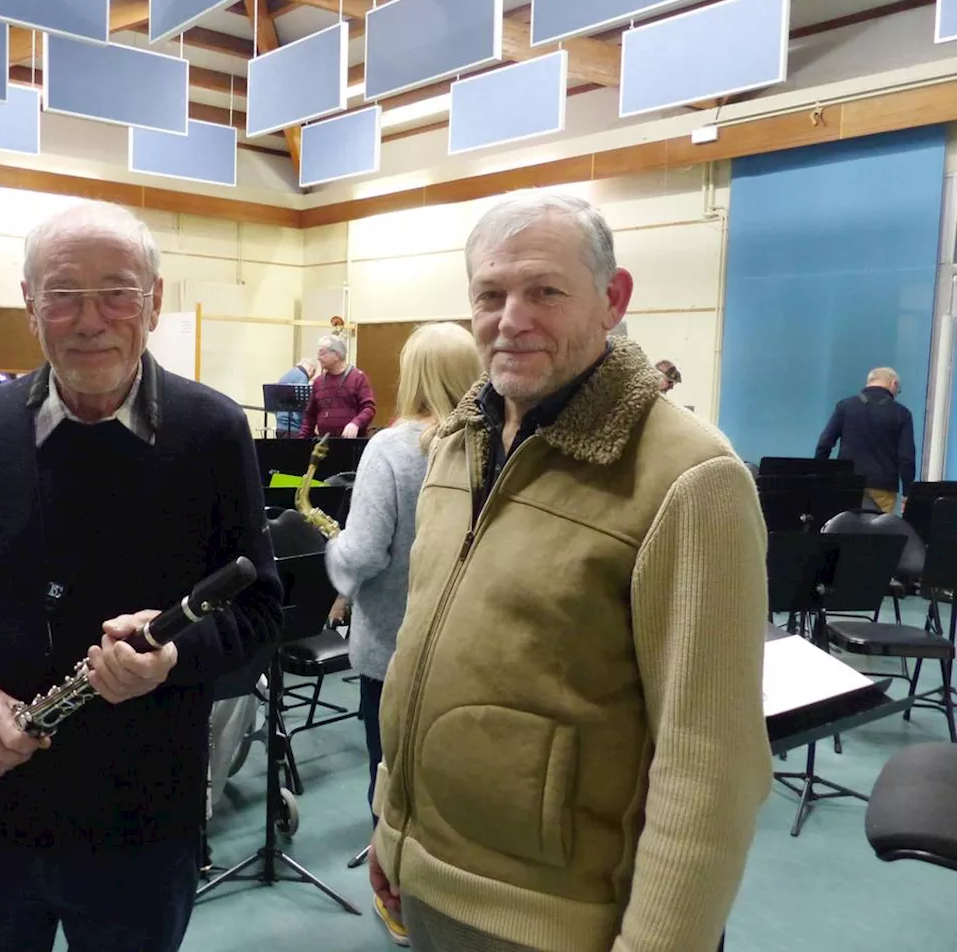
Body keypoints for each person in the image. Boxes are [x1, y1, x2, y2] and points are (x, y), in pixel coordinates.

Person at [0, 200, 283, 952]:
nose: (91, 320)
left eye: (118, 290)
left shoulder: (212, 432)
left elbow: (258, 611)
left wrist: (178, 657)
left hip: (142, 823)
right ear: (30, 305)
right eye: (63, 293)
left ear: (154, 301)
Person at [367, 193, 772, 952]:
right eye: (490, 294)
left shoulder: (690, 478)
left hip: (560, 922)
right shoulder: (457, 446)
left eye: (545, 291)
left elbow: (710, 762)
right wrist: (394, 828)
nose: (511, 318)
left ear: (612, 299)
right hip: (430, 879)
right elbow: (421, 655)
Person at [324, 322, 480, 945]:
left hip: (393, 653)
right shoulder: (498, 444)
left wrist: (330, 557)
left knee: (389, 779)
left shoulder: (390, 450)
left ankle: (401, 902)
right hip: (472, 653)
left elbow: (362, 554)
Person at [815, 367, 916, 514]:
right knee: (876, 532)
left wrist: (819, 479)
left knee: (843, 529)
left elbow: (824, 445)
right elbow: (906, 458)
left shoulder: (845, 406)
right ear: (894, 384)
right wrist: (908, 493)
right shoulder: (901, 413)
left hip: (846, 484)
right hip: (883, 488)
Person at [298, 335, 376, 438]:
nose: (318, 358)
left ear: (337, 355)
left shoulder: (358, 378)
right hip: (324, 445)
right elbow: (310, 416)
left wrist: (356, 423)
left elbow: (369, 408)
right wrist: (301, 440)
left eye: (322, 353)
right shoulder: (318, 382)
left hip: (351, 445)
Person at [275, 358, 316, 437]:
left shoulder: (288, 375)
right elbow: (303, 404)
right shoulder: (302, 376)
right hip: (293, 427)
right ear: (312, 369)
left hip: (281, 425)